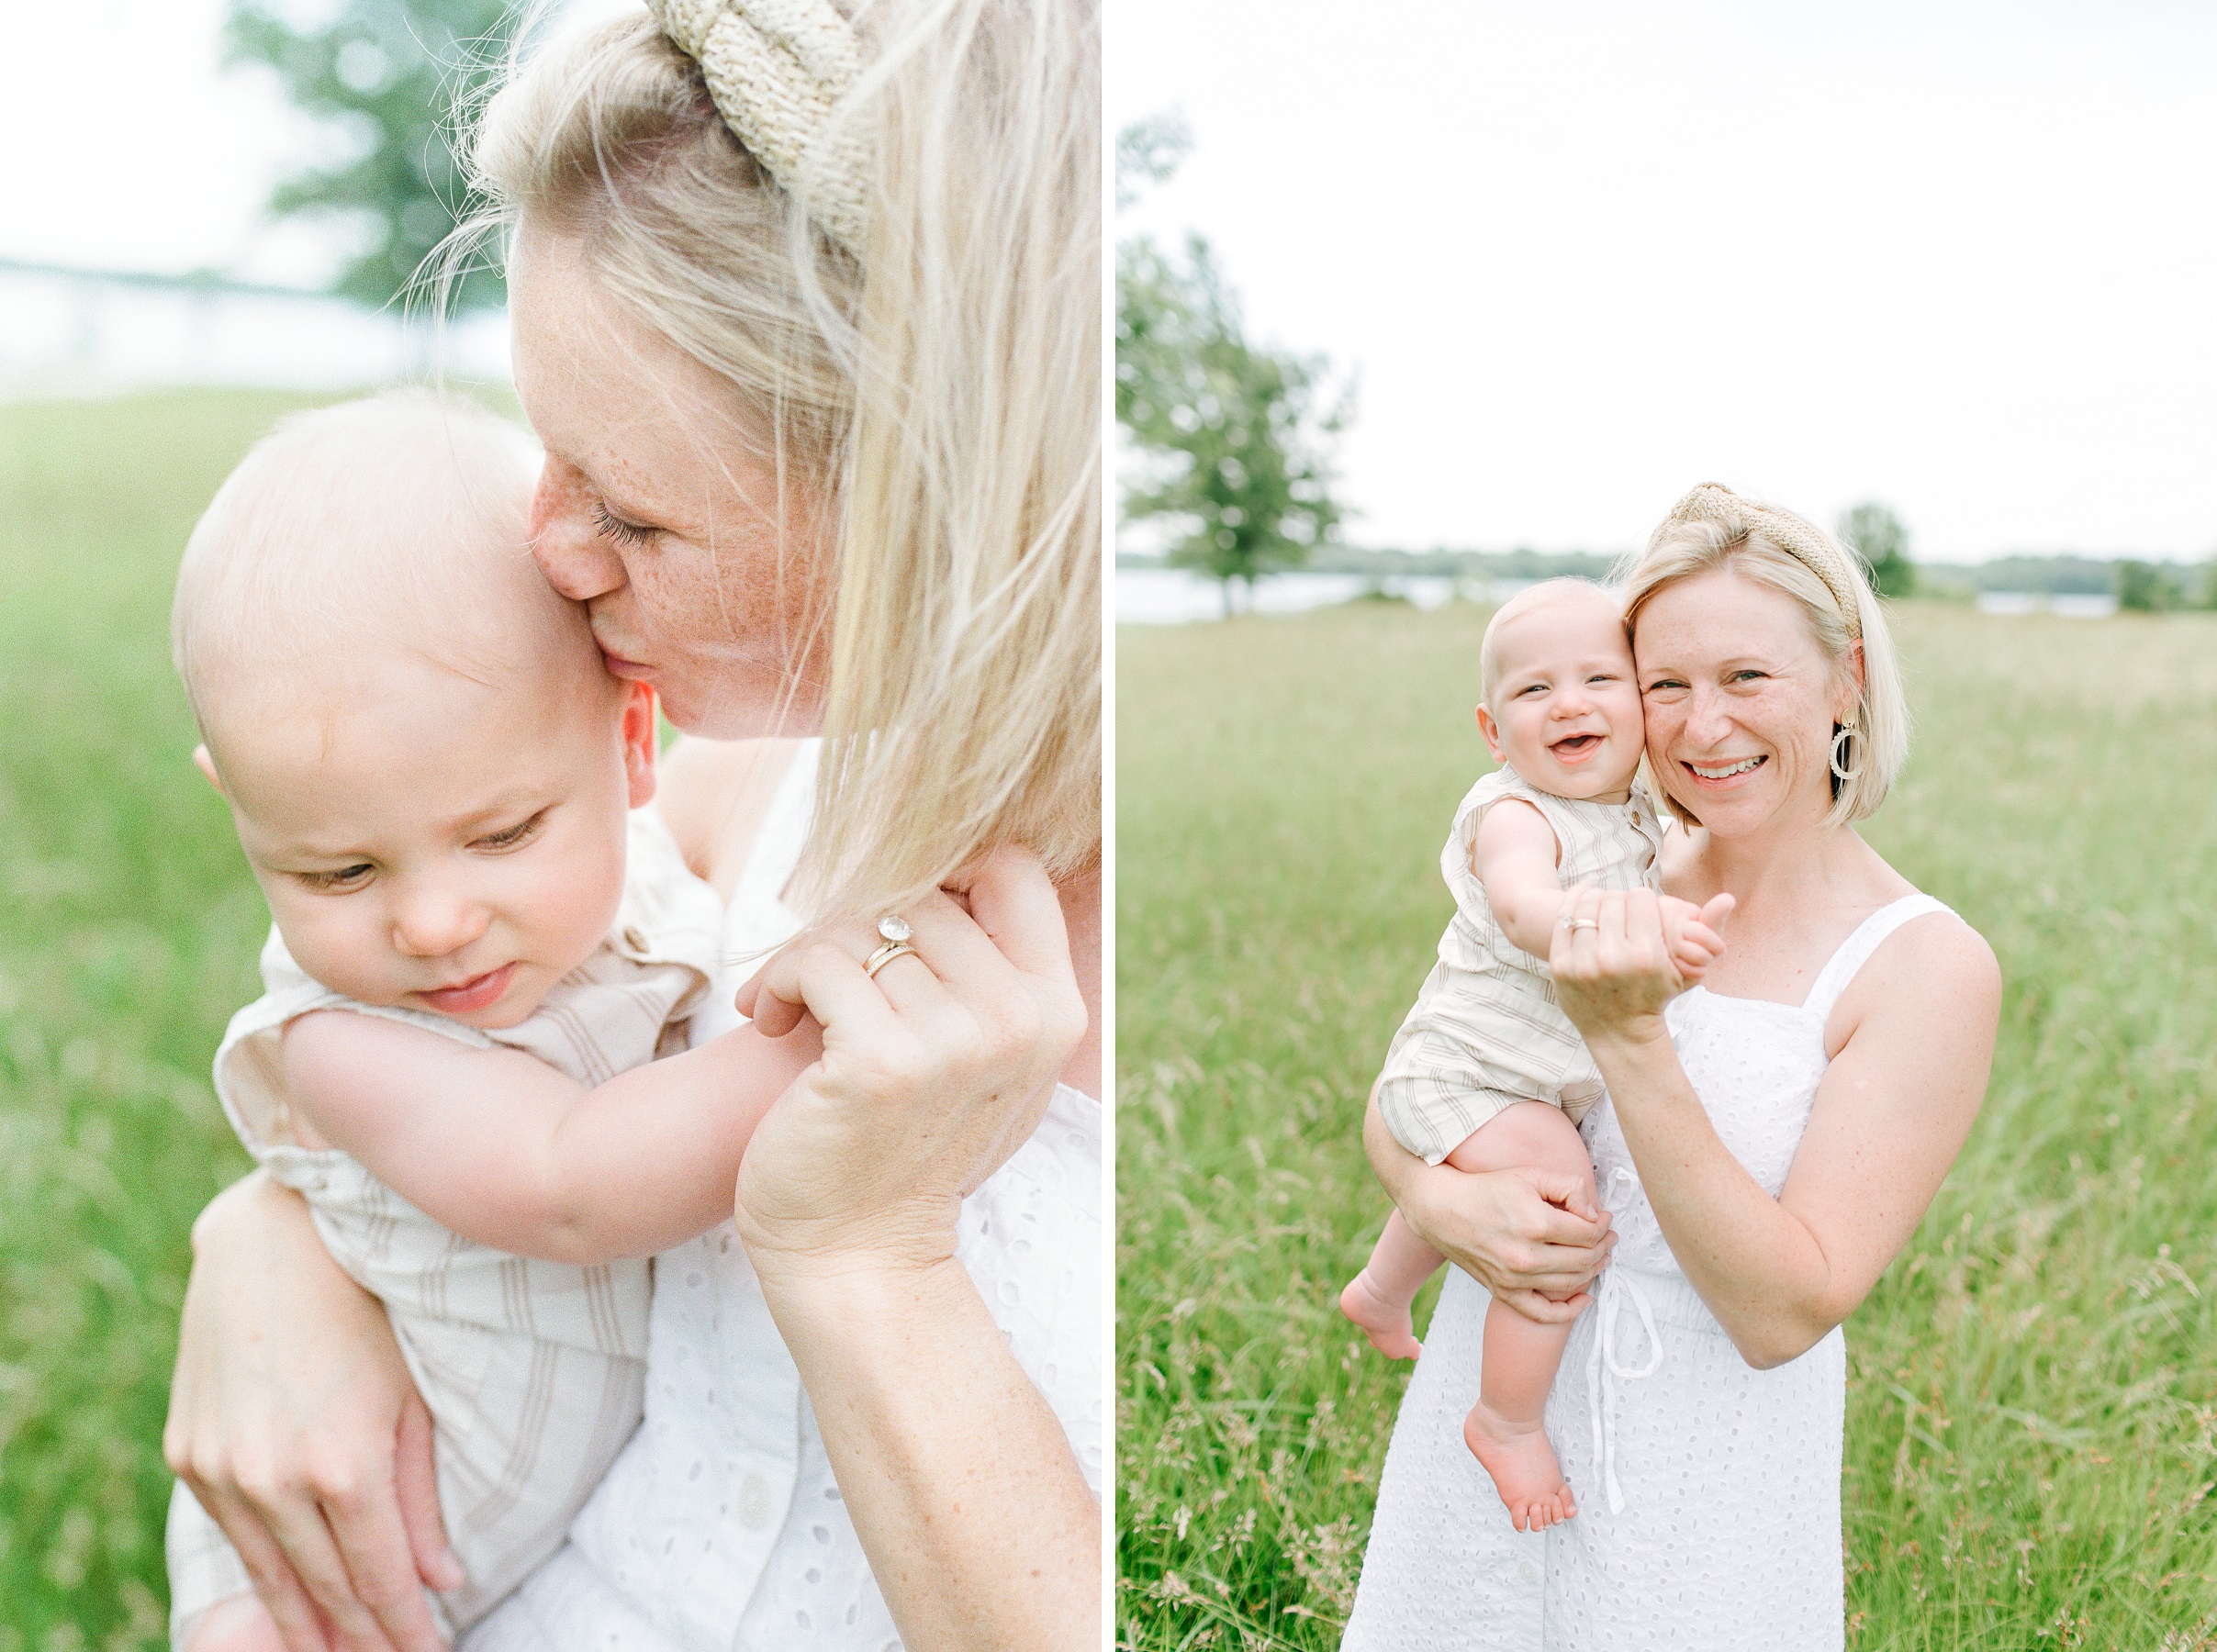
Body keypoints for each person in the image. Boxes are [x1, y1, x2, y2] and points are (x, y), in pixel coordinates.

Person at [160, 2, 1102, 1648]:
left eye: (630, 508)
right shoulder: (748, 779)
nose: (552, 556)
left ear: (929, 488)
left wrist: (871, 1249)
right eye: (549, 459)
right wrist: (269, 1241)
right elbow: (505, 1145)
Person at [163, 393, 832, 1649]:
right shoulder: (343, 1042)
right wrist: (813, 1036)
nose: (429, 924)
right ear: (240, 811)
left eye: (504, 834)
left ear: (632, 739)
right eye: (337, 873)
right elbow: (571, 1183)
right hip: (325, 1554)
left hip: (540, 1538)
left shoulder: (658, 874)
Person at [1342, 484, 1999, 1650]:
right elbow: (1425, 1083)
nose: (1703, 729)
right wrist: (1436, 1199)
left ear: (1846, 676)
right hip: (1494, 1407)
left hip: (1709, 1464)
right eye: (1665, 686)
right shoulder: (1596, 871)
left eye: (1748, 679)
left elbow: (1785, 1312)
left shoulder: (1924, 967)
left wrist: (1628, 1037)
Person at [1336, 579, 1728, 1532]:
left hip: (1518, 1076)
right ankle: (1506, 1421)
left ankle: (1380, 1292)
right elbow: (1522, 905)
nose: (1570, 703)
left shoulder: (1635, 812)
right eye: (1534, 690)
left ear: (1641, 704)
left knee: (1487, 1170)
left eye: (1601, 678)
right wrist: (1628, 927)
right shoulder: (1514, 814)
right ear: (1491, 728)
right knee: (1555, 1195)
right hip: (1465, 1068)